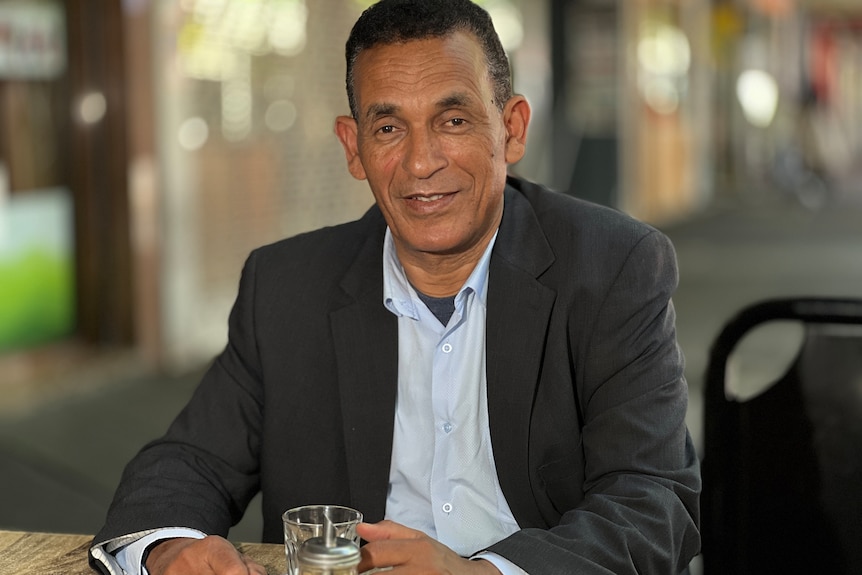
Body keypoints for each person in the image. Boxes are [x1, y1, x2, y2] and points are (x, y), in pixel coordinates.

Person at [89, 0, 700, 574]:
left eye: (453, 120)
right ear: (353, 148)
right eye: (388, 129)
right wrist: (170, 548)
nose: (420, 162)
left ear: (511, 129)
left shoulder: (612, 267)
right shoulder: (286, 287)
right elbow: (189, 461)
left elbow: (652, 501)